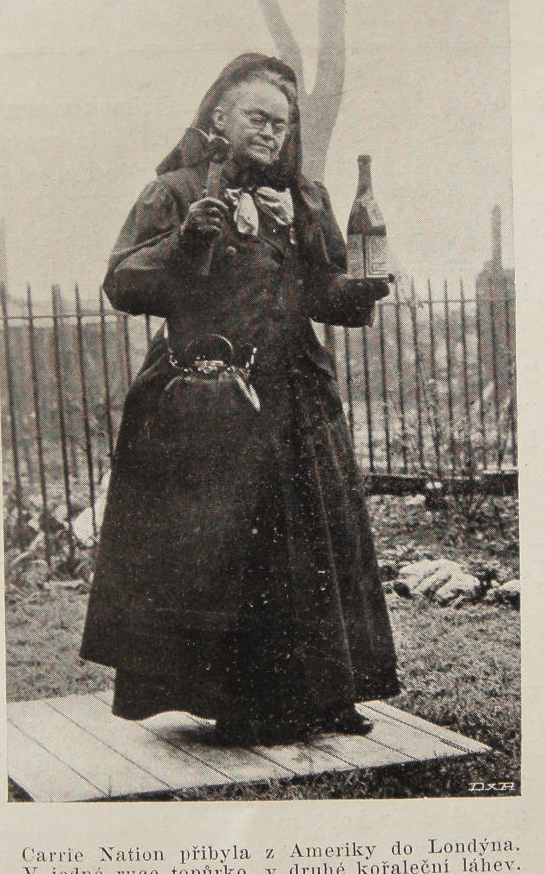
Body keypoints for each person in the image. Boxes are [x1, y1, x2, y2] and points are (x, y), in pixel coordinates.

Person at [80, 53, 399, 746]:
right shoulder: (173, 191)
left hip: (296, 393)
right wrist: (185, 241)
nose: (272, 133)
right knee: (224, 549)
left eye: (282, 124)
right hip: (208, 389)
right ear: (220, 118)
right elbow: (122, 286)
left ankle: (325, 695)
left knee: (313, 540)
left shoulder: (305, 198)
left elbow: (323, 294)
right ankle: (238, 704)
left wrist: (360, 289)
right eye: (258, 117)